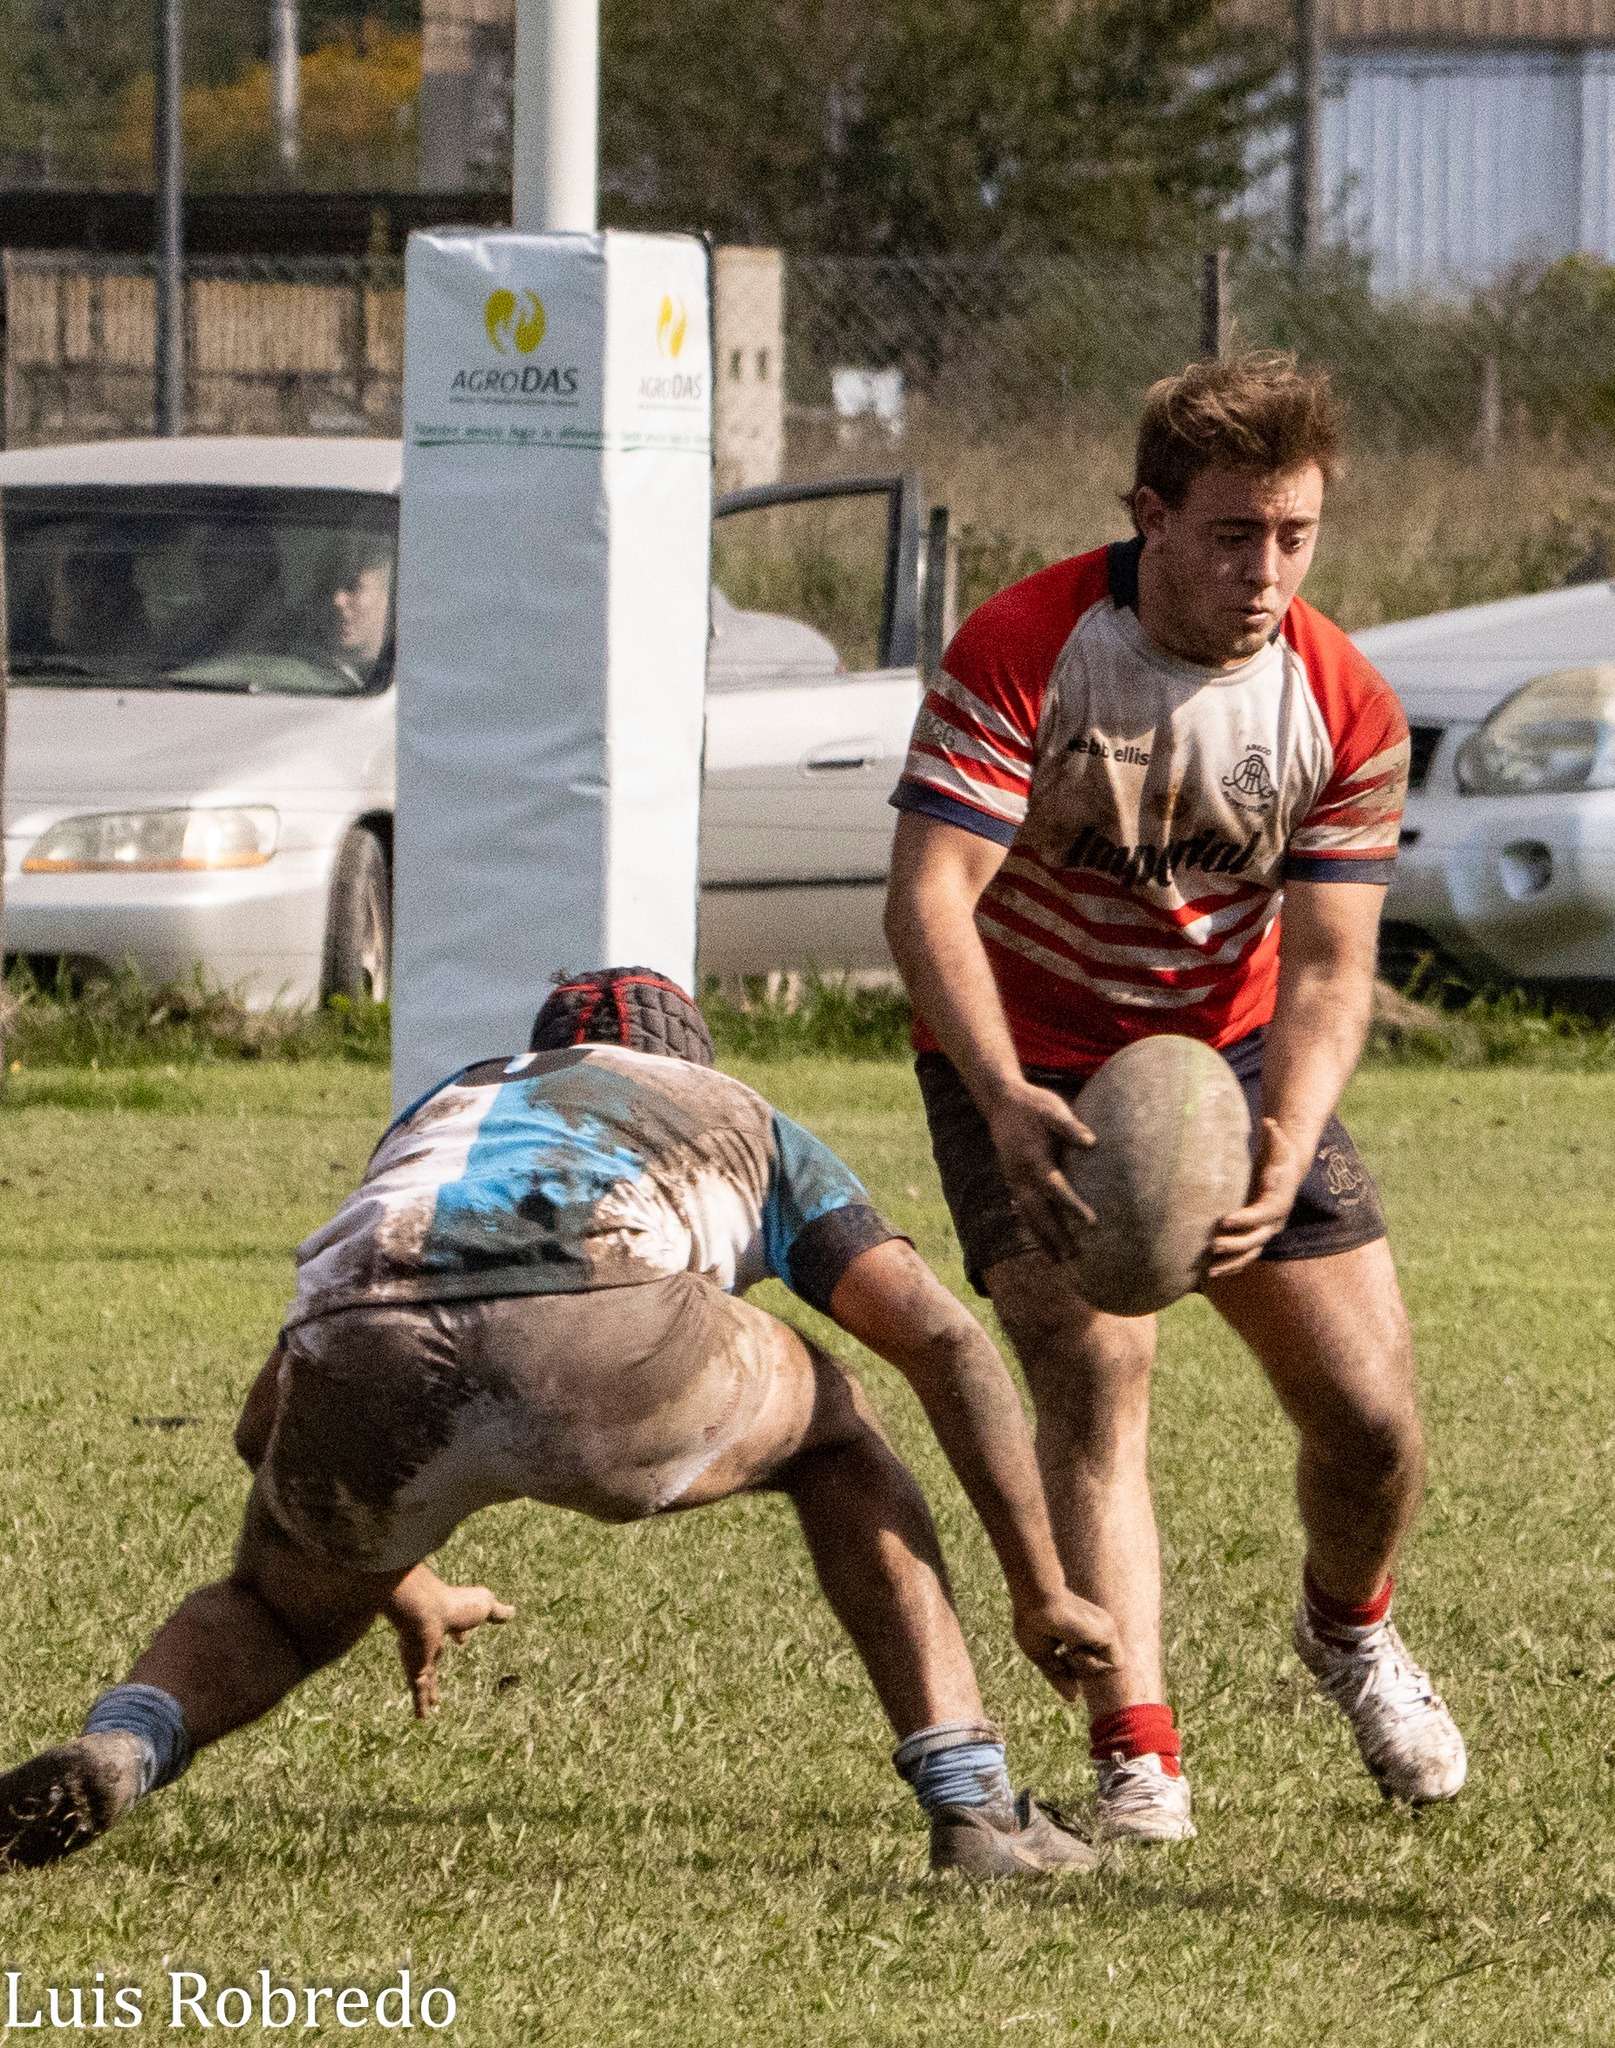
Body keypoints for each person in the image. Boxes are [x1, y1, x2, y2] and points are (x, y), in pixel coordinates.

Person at [0, 968, 1117, 1880]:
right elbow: (944, 1340)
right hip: (603, 1325)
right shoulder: (736, 1114)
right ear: (692, 1057)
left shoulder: (446, 1108)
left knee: (273, 1608)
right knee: (835, 1439)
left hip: (361, 1341)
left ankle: (125, 1741)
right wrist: (1040, 1586)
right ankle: (974, 1807)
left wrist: (402, 1573)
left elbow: (262, 1425)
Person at [882, 353, 1466, 1844]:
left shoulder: (1339, 701)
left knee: (1371, 1422)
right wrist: (1004, 1096)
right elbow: (928, 900)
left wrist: (1279, 1137)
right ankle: (1134, 1749)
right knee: (1094, 1369)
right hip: (1023, 1057)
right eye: (1227, 535)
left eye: (1294, 537)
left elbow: (1332, 966)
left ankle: (1345, 1629)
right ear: (1146, 515)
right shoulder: (1025, 646)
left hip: (1237, 1055)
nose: (1263, 572)